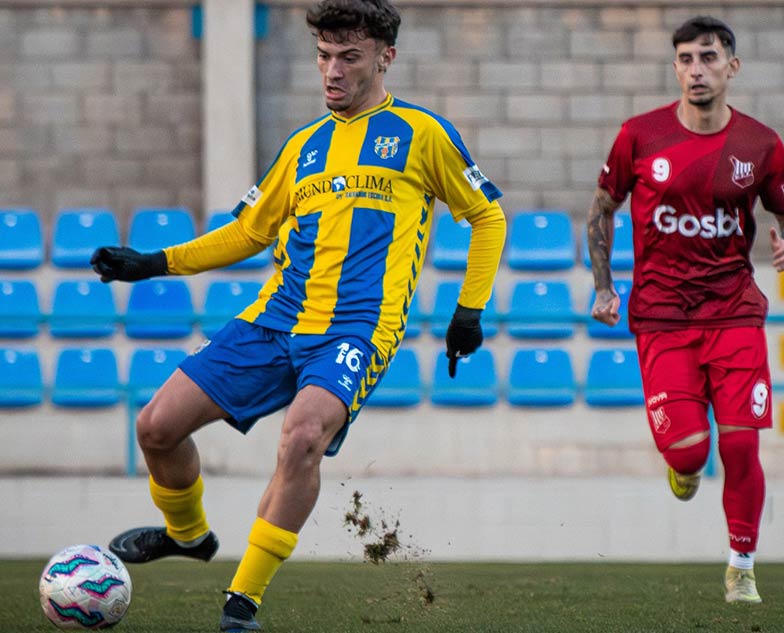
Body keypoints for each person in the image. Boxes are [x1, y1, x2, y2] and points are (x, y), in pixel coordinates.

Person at [90, 0, 506, 630]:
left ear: (384, 58)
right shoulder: (303, 146)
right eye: (323, 56)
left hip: (356, 329)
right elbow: (246, 233)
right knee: (155, 427)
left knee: (303, 437)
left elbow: (487, 215)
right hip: (273, 321)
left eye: (349, 57)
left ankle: (241, 603)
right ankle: (189, 534)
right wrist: (154, 262)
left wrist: (468, 311)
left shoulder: (422, 135)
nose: (332, 71)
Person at [588, 15, 784, 604]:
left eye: (707, 58)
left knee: (740, 446)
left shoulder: (760, 145)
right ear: (675, 67)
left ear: (731, 68)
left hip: (734, 311)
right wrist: (605, 287)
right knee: (692, 454)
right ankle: (681, 463)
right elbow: (601, 208)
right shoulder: (640, 135)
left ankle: (742, 565)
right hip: (662, 317)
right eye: (685, 59)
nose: (695, 69)